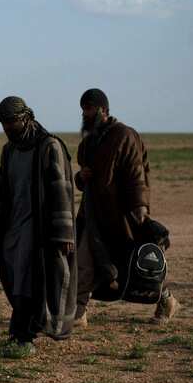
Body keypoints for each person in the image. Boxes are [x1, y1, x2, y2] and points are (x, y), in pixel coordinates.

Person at [74, 88, 178, 326]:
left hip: (123, 216)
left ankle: (166, 299)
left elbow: (136, 175)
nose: (85, 113)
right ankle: (78, 312)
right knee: (84, 262)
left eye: (89, 108)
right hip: (93, 216)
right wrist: (81, 177)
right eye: (83, 109)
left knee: (136, 266)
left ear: (103, 109)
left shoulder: (125, 136)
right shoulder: (89, 141)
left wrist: (140, 212)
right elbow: (83, 178)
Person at [0, 97, 77, 352]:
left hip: (39, 231)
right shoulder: (10, 150)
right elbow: (2, 190)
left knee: (29, 280)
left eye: (11, 122)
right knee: (15, 279)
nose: (7, 129)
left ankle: (23, 333)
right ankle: (23, 330)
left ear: (25, 118)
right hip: (13, 228)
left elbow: (62, 192)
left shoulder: (49, 147)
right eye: (3, 124)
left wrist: (64, 233)